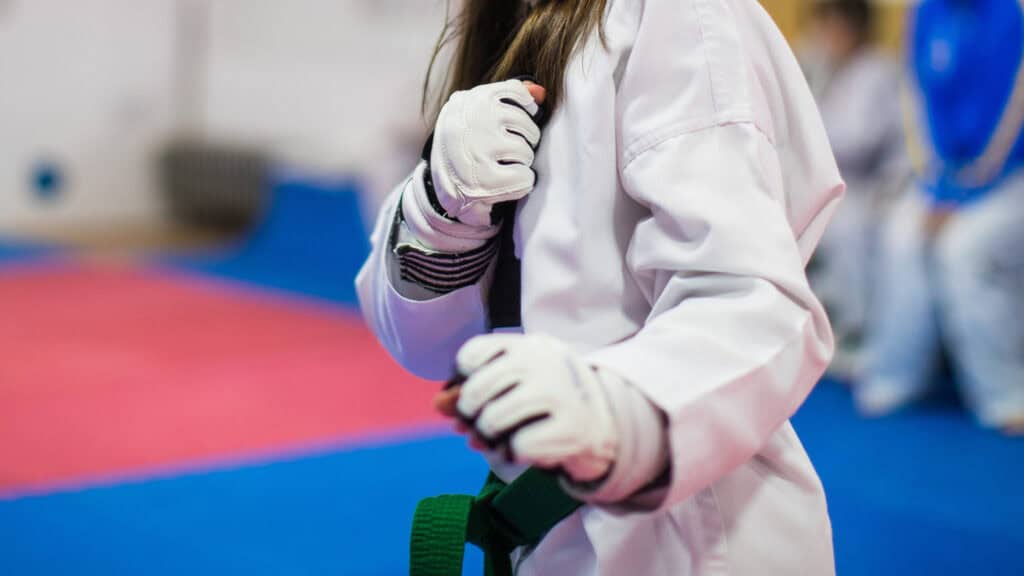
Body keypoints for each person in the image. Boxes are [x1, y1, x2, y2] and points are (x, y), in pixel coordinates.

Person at [356, 0, 845, 574]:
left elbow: (754, 301)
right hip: (544, 528)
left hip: (690, 536)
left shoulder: (676, 14)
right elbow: (428, 347)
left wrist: (619, 412)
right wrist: (440, 212)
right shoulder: (503, 18)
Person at [857, 0, 1024, 434]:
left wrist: (964, 194)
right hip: (938, 178)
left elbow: (1012, 115)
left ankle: (1004, 393)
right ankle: (894, 376)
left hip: (1006, 178)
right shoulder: (924, 13)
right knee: (900, 236)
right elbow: (916, 104)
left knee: (962, 249)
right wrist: (935, 190)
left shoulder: (1014, 14)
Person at [801, 0, 908, 377]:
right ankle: (818, 328)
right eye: (823, 25)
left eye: (835, 26)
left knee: (845, 227)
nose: (828, 36)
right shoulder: (821, 67)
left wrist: (806, 132)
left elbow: (858, 141)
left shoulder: (876, 70)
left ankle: (858, 331)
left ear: (856, 28)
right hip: (835, 184)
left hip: (877, 186)